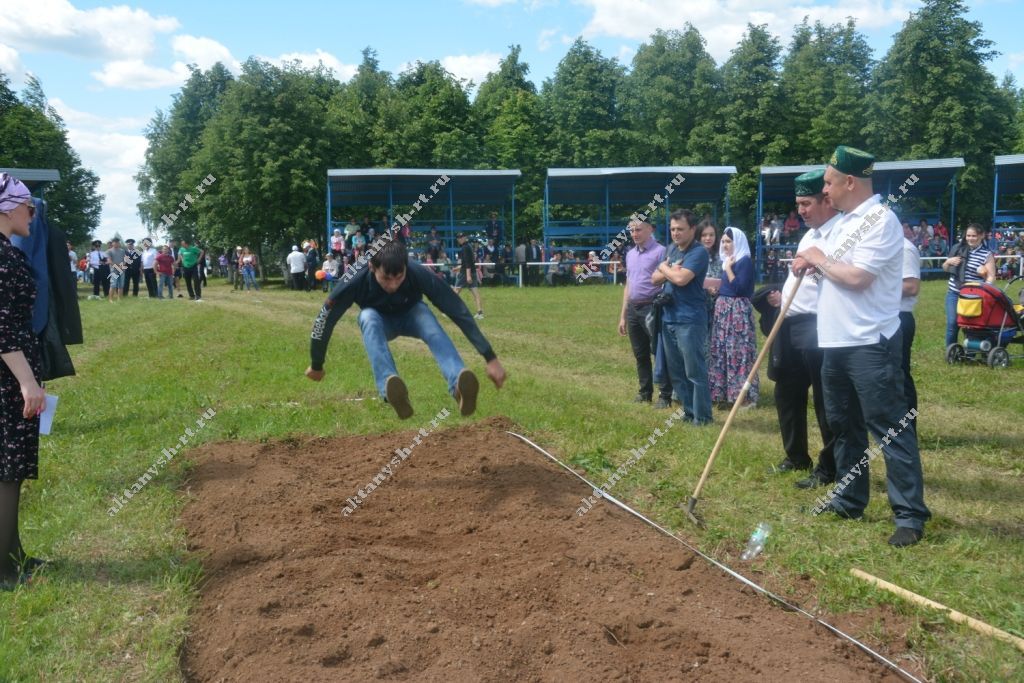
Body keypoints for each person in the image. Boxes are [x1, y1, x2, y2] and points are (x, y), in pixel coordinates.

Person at [792, 145, 929, 547]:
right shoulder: (841, 224)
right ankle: (850, 499)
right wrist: (811, 264)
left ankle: (909, 515)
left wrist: (816, 258)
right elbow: (830, 275)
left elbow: (857, 278)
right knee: (843, 427)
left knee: (889, 429)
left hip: (870, 343)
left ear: (850, 182)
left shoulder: (879, 220)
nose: (825, 191)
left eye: (830, 183)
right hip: (834, 342)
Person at [305, 240, 506, 419]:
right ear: (371, 267)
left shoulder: (416, 272)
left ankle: (458, 387)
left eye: (399, 277)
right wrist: (316, 364)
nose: (393, 285)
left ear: (406, 267)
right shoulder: (353, 279)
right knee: (367, 317)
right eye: (386, 278)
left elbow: (457, 309)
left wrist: (490, 357)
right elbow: (325, 319)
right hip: (378, 319)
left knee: (430, 323)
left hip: (412, 314)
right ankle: (391, 390)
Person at [766, 170, 838, 486]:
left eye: (807, 203)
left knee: (826, 400)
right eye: (799, 204)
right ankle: (796, 456)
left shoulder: (841, 233)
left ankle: (830, 468)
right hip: (789, 323)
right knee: (787, 393)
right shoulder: (809, 235)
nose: (801, 211)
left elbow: (837, 277)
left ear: (827, 200)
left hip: (819, 324)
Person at [0, 174, 48, 590]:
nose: (32, 214)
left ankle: (14, 555)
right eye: (28, 206)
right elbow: (1, 328)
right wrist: (27, 383)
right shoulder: (2, 258)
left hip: (10, 371)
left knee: (8, 468)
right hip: (7, 377)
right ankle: (5, 571)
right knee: (7, 471)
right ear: (8, 208)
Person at [652, 209, 712, 425]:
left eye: (680, 229)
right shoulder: (671, 249)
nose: (675, 233)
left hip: (689, 319)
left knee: (694, 371)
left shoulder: (699, 252)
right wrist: (667, 269)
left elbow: (681, 279)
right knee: (677, 371)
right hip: (669, 318)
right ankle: (688, 412)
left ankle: (703, 418)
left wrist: (664, 268)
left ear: (692, 229)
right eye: (673, 229)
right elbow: (654, 279)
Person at [617, 220, 673, 408]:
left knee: (659, 352)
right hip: (634, 308)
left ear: (651, 229)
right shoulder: (630, 254)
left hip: (652, 308)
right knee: (640, 353)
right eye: (632, 230)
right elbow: (629, 284)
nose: (635, 233)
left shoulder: (661, 252)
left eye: (639, 229)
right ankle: (645, 392)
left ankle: (665, 395)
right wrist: (623, 315)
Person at [708, 227, 757, 408]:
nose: (725, 245)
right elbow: (729, 286)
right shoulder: (726, 261)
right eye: (723, 241)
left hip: (737, 312)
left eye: (729, 241)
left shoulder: (744, 261)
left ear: (738, 242)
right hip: (723, 308)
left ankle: (743, 396)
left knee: (738, 351)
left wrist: (728, 269)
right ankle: (722, 392)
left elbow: (740, 288)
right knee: (722, 350)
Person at [941, 223, 995, 348]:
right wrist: (948, 262)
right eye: (968, 235)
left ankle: (972, 350)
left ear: (981, 236)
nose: (970, 238)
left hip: (974, 296)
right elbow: (945, 268)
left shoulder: (987, 254)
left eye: (974, 236)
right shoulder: (957, 248)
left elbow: (991, 277)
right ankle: (951, 352)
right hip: (954, 292)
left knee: (972, 325)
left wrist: (985, 282)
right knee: (952, 323)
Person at [900, 224, 921, 412]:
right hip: (881, 317)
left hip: (899, 318)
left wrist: (873, 287)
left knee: (900, 376)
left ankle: (907, 430)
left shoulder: (904, 248)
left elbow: (911, 287)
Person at [699, 220, 722, 352]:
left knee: (715, 344)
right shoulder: (693, 256)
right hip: (698, 306)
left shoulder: (721, 257)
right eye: (704, 235)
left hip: (717, 307)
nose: (708, 238)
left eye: (711, 235)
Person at [453, 233, 483, 319]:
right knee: (475, 293)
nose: (459, 239)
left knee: (455, 292)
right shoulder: (469, 246)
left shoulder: (464, 248)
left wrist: (468, 275)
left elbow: (467, 263)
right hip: (471, 272)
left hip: (465, 273)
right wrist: (458, 268)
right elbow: (468, 262)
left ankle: (447, 310)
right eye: (458, 238)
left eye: (461, 237)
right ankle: (480, 312)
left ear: (465, 238)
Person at [106, 238, 125, 302]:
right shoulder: (109, 251)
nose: (116, 243)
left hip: (122, 269)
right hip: (114, 270)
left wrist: (122, 266)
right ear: (112, 243)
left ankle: (120, 299)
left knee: (121, 285)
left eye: (117, 242)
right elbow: (109, 261)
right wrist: (117, 267)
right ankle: (110, 299)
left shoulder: (122, 251)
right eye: (115, 242)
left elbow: (124, 260)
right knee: (113, 284)